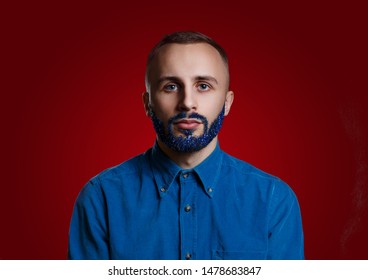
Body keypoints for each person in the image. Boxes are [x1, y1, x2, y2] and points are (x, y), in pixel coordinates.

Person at [68, 31, 304, 260]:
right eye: (171, 86)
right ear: (148, 103)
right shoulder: (101, 198)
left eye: (203, 86)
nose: (187, 103)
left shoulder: (274, 200)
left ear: (227, 102)